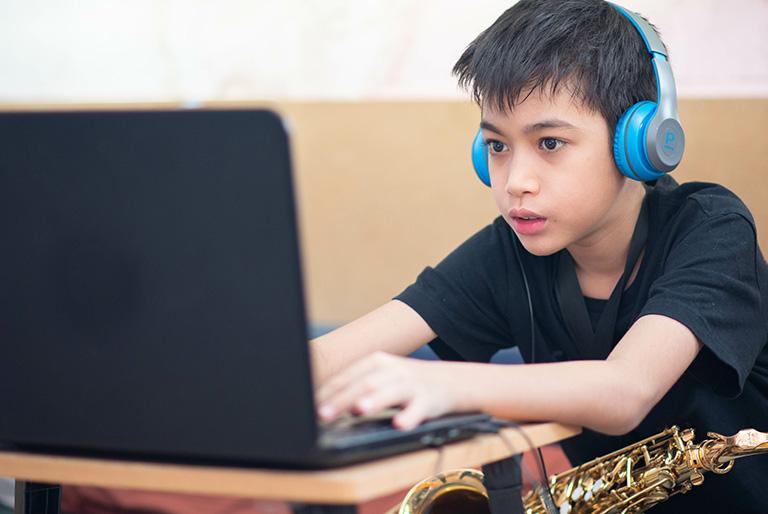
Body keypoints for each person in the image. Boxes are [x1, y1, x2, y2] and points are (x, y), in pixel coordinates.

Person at [311, 0, 768, 512]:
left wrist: (441, 383)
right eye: (497, 146)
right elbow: (332, 356)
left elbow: (625, 391)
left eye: (550, 142)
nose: (515, 183)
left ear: (639, 143)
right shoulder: (510, 249)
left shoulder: (710, 228)